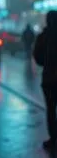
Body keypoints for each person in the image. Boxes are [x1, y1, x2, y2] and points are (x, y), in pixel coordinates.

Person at [33, 10, 57, 150]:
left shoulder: (43, 37)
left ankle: (53, 138)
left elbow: (37, 57)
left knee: (50, 109)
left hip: (48, 79)